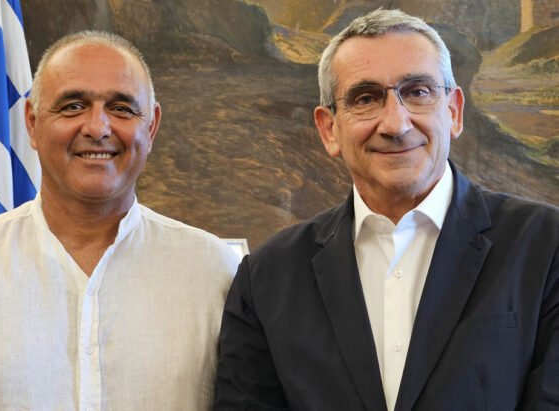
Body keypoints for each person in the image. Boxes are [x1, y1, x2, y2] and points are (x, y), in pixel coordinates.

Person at [214, 9, 558, 411]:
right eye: (365, 98)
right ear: (329, 129)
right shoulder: (267, 277)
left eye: (418, 92)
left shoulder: (546, 245)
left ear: (453, 112)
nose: (395, 123)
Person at [0, 31, 239, 410]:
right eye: (73, 106)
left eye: (122, 108)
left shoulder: (215, 272)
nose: (97, 128)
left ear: (151, 128)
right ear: (32, 122)